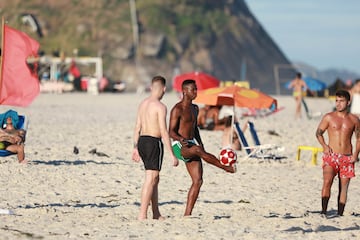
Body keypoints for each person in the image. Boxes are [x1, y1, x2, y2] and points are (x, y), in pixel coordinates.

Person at [169, 79, 236, 216]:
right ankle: (225, 167)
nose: (195, 92)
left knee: (198, 181)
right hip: (178, 145)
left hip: (192, 143)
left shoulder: (195, 108)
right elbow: (170, 131)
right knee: (199, 151)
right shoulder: (177, 109)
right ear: (184, 91)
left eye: (196, 89)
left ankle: (187, 214)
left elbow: (195, 128)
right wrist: (180, 139)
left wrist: (200, 142)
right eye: (193, 89)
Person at [132, 75, 179, 220]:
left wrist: (134, 147)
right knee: (150, 177)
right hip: (153, 142)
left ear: (151, 87)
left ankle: (156, 212)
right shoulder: (160, 107)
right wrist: (172, 154)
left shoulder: (143, 104)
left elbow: (137, 127)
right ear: (164, 89)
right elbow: (164, 131)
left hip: (142, 141)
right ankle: (142, 214)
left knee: (155, 178)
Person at [315, 89, 360, 216]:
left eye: (341, 101)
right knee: (327, 181)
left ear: (348, 102)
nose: (338, 103)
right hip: (331, 156)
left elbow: (359, 138)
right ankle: (323, 212)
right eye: (336, 101)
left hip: (347, 157)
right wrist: (324, 146)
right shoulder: (329, 117)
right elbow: (318, 133)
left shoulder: (354, 120)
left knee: (344, 187)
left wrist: (356, 155)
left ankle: (340, 214)